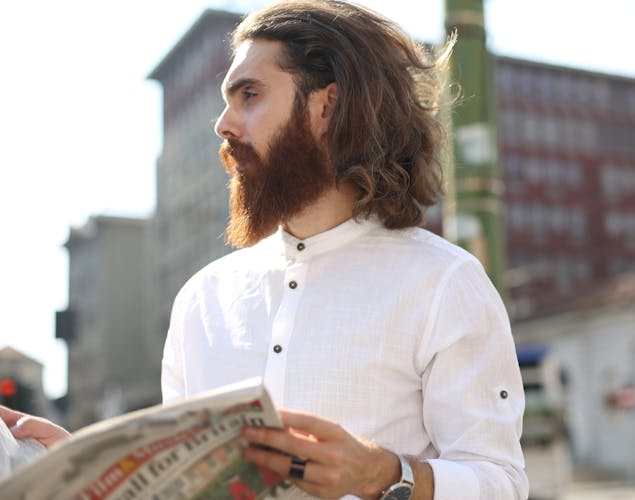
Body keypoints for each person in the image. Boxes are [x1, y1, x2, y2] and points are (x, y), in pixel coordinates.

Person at [3, 1, 528, 498]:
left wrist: (386, 476)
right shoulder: (202, 299)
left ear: (328, 105)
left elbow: (501, 482)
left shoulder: (443, 284)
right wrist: (89, 471)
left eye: (249, 95)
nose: (223, 125)